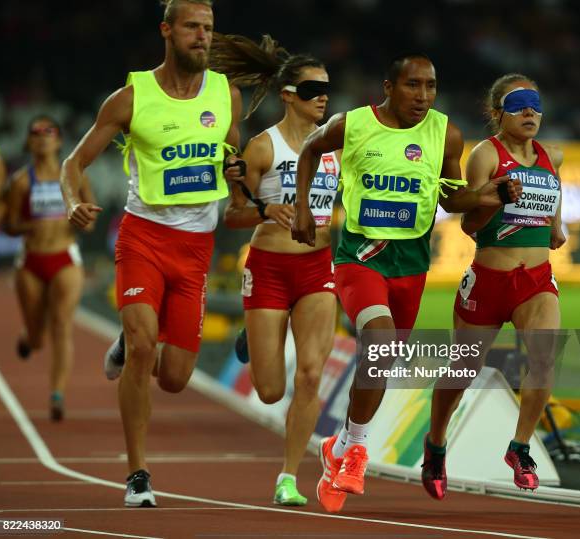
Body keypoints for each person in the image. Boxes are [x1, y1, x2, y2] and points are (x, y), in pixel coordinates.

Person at [292, 54, 522, 513]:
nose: (422, 96)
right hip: (360, 257)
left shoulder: (445, 133)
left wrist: (484, 194)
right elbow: (310, 150)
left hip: (412, 265)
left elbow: (450, 195)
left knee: (383, 360)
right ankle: (357, 448)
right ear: (388, 87)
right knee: (377, 341)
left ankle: (336, 447)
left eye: (430, 86)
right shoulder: (351, 124)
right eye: (413, 86)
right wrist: (302, 207)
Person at [60, 0, 243, 507]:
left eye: (209, 28)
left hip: (196, 248)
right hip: (143, 237)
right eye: (192, 27)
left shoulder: (226, 95)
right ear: (167, 30)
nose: (203, 36)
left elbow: (234, 155)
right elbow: (74, 162)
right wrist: (75, 200)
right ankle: (137, 473)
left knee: (176, 377)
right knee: (145, 349)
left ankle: (128, 338)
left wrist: (238, 174)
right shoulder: (130, 97)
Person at [210, 33, 339, 506]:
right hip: (268, 267)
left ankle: (289, 477)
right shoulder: (263, 148)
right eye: (311, 90)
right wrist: (267, 212)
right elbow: (234, 215)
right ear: (288, 96)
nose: (323, 97)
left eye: (326, 88)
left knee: (309, 376)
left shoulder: (337, 147)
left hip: (318, 270)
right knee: (269, 391)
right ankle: (252, 336)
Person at [422, 74, 565, 499]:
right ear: (497, 112)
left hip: (536, 280)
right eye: (519, 103)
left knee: (543, 356)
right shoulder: (486, 155)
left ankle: (520, 447)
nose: (530, 112)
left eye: (535, 104)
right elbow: (469, 224)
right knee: (463, 370)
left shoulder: (552, 156)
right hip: (488, 281)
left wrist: (555, 228)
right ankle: (436, 443)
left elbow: (554, 211)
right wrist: (498, 199)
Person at [5, 116, 94, 422]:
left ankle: (57, 393)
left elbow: (91, 215)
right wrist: (32, 224)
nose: (42, 137)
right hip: (31, 261)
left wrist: (84, 218)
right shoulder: (20, 181)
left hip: (65, 259)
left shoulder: (74, 177)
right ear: (29, 141)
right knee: (38, 336)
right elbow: (9, 224)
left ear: (58, 140)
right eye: (36, 132)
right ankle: (29, 338)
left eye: (49, 132)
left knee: (61, 324)